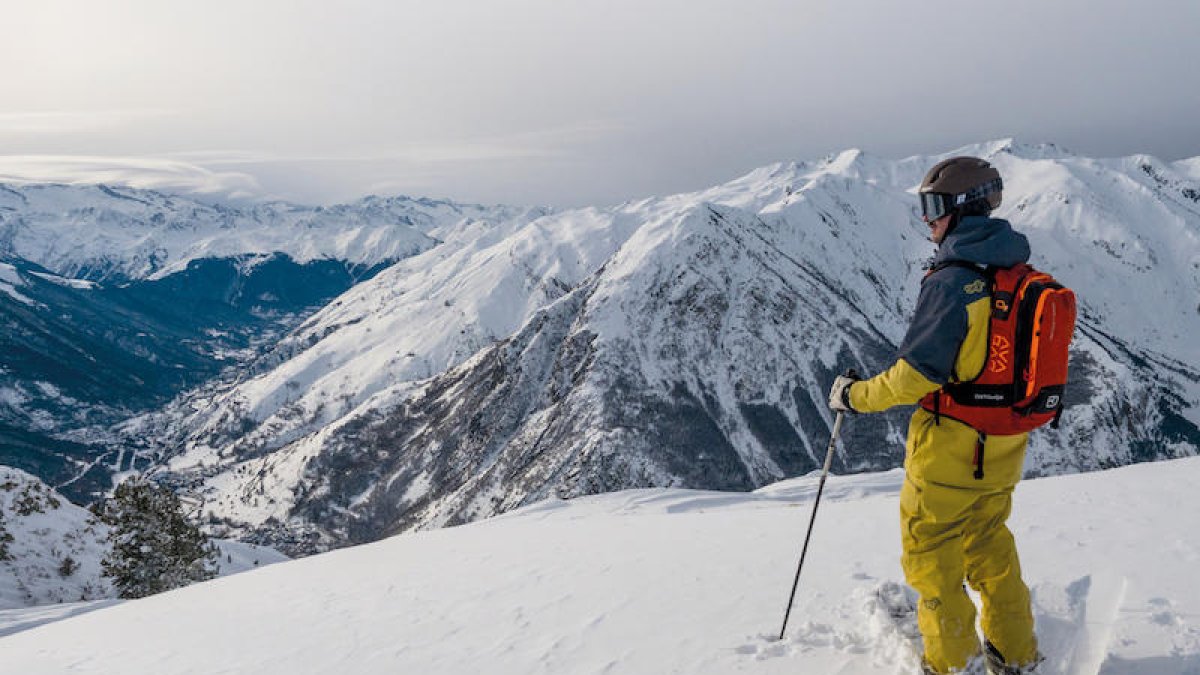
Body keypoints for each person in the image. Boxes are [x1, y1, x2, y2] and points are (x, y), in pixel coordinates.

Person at [828, 157, 1041, 675]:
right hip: (1004, 446)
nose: (928, 221)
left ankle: (951, 665)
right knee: (992, 548)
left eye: (933, 207)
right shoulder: (1015, 272)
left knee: (933, 560)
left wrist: (854, 397)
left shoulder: (952, 282)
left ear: (960, 209)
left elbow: (914, 377)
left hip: (949, 455)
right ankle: (1017, 655)